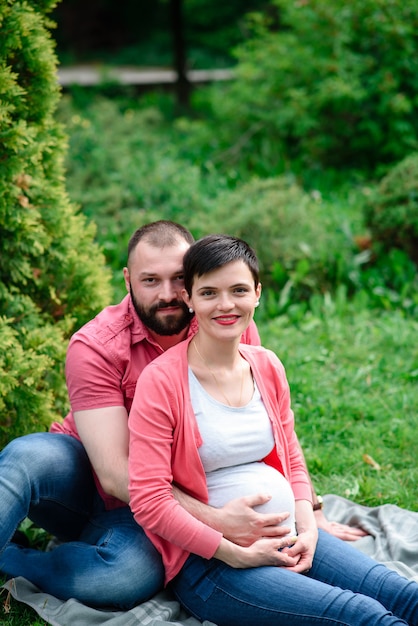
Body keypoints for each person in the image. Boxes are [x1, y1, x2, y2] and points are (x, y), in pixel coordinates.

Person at [0, 220, 362, 610]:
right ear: (127, 280)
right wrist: (217, 521)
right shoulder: (97, 346)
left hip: (159, 509)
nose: (168, 294)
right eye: (150, 280)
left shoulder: (222, 322)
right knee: (30, 457)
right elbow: (115, 474)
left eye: (178, 279)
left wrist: (310, 509)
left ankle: (22, 559)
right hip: (91, 483)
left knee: (121, 577)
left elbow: (273, 422)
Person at [128, 234, 418, 626]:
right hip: (211, 566)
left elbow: (291, 456)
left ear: (258, 294)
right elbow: (148, 498)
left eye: (239, 290)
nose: (226, 304)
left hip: (291, 536)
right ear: (189, 299)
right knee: (363, 615)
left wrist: (309, 527)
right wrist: (233, 552)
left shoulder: (266, 365)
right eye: (210, 292)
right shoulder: (161, 381)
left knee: (403, 594)